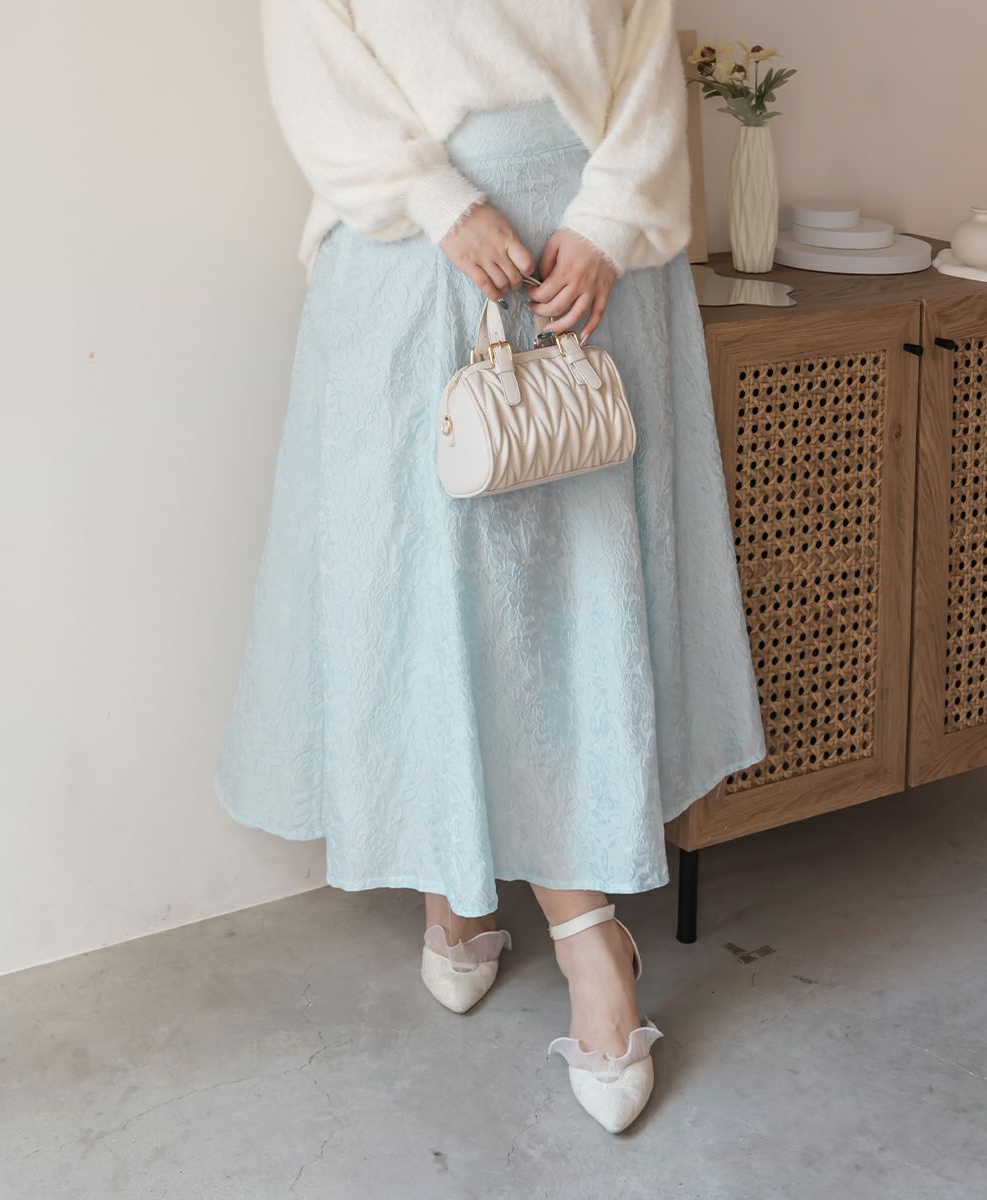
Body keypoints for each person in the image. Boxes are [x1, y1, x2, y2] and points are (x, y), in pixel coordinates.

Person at [214, 0, 767, 1133]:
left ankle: (585, 940)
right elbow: (310, 46)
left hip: (586, 264)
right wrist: (437, 199)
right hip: (413, 257)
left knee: (569, 606)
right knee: (422, 592)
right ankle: (456, 884)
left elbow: (644, 49)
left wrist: (609, 218)